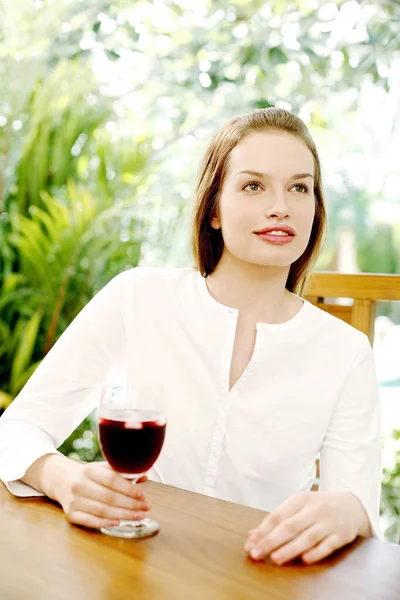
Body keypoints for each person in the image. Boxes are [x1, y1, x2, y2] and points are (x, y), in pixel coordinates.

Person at [0, 107, 381, 565]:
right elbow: (17, 430)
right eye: (253, 185)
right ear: (213, 209)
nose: (280, 205)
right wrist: (62, 478)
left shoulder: (346, 352)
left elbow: (357, 505)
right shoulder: (138, 296)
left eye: (300, 187)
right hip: (133, 565)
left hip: (264, 577)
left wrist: (348, 512)